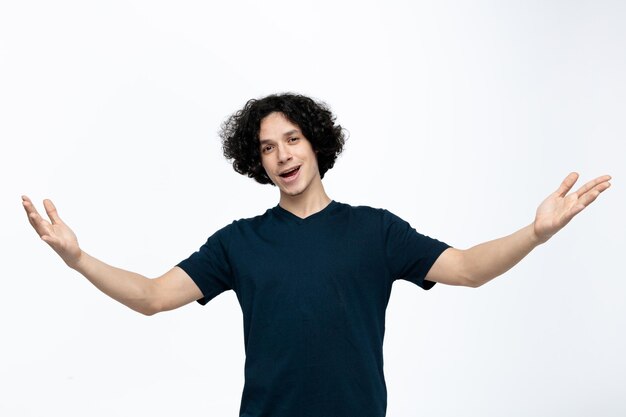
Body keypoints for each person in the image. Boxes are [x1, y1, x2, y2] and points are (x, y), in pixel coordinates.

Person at [22, 93, 611, 417]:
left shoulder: (375, 232)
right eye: (267, 148)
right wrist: (78, 258)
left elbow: (466, 268)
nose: (282, 155)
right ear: (258, 163)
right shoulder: (239, 241)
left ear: (316, 143)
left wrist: (535, 233)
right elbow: (152, 297)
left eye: (293, 139)